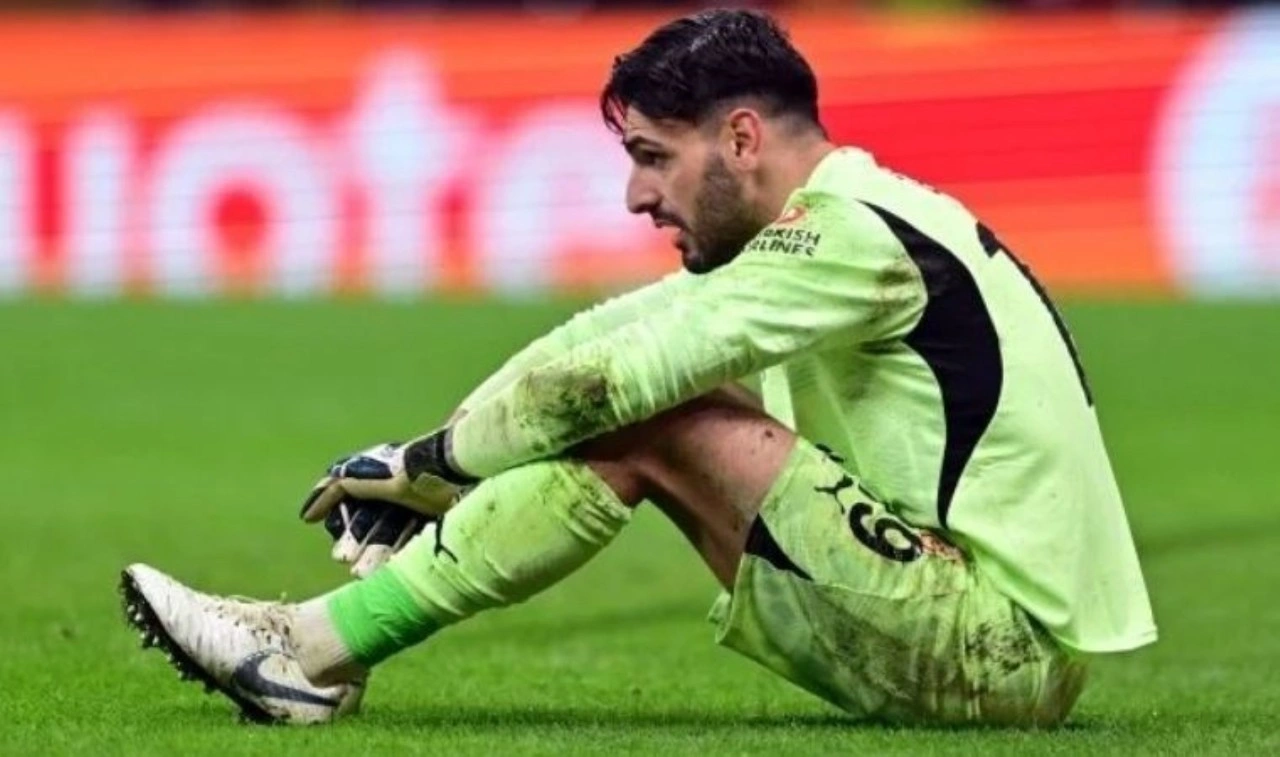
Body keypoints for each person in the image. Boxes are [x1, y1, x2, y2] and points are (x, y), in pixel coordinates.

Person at [121, 9, 1156, 727]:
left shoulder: (850, 236)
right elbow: (600, 339)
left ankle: (305, 648)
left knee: (659, 410)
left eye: (653, 156)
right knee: (644, 396)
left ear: (740, 138)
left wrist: (435, 462)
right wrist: (435, 459)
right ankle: (315, 650)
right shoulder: (841, 224)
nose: (634, 195)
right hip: (969, 623)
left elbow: (618, 384)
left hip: (994, 648)